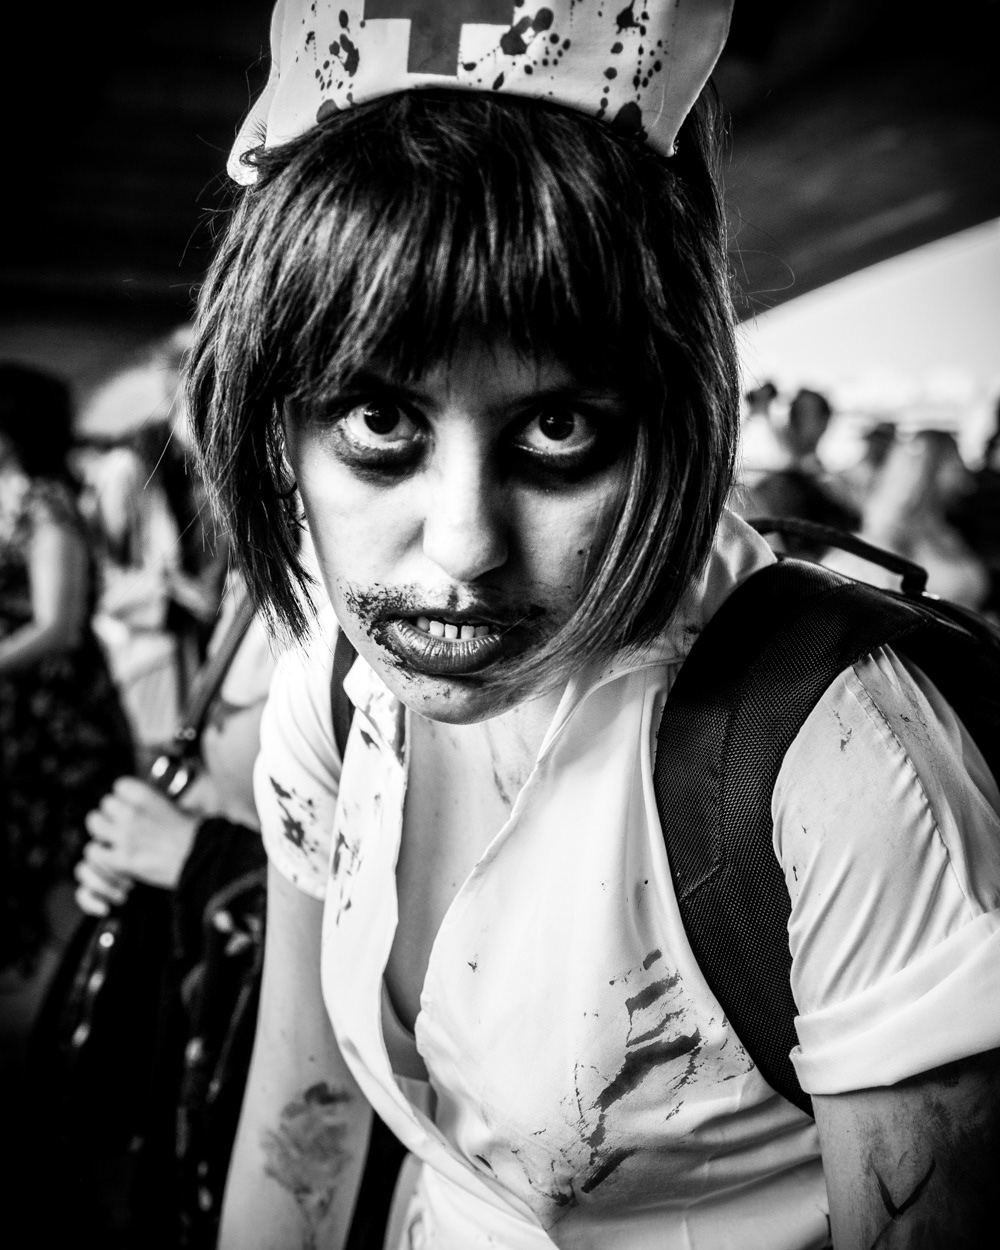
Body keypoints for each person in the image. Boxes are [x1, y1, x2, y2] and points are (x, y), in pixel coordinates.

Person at [187, 3, 1000, 1247]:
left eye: (557, 428)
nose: (462, 545)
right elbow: (303, 1127)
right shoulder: (332, 695)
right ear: (276, 428)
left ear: (672, 423)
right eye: (378, 421)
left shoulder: (844, 765)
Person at [73, 573, 282, 1248]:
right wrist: (134, 838)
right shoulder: (256, 568)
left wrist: (195, 853)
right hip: (201, 984)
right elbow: (219, 779)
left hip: (276, 1032)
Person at [0, 363, 134, 975]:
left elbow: (58, 626)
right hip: (21, 704)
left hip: (54, 712)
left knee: (59, 850)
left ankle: (70, 987)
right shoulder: (15, 499)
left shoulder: (45, 504)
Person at [824, 428, 990, 612]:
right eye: (954, 467)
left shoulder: (949, 532)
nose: (965, 481)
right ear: (926, 471)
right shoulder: (882, 541)